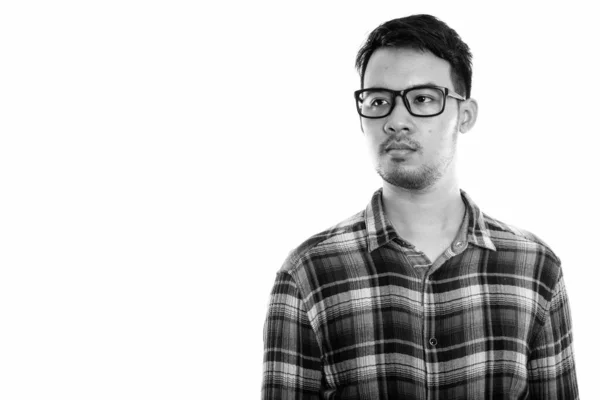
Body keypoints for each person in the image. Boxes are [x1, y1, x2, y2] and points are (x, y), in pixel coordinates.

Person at [262, 14, 578, 399]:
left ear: (465, 115)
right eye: (379, 101)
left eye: (423, 99)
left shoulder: (535, 269)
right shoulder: (308, 274)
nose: (397, 120)